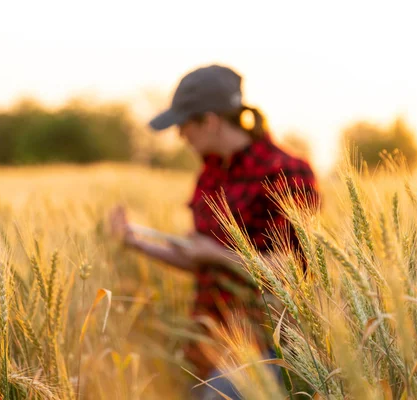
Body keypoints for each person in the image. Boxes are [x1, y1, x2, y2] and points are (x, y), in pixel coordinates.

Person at [109, 64, 319, 399]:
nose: (180, 136)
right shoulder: (210, 175)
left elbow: (294, 270)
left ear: (210, 121)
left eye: (184, 125)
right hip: (207, 341)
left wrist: (216, 254)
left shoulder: (286, 172)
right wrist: (135, 242)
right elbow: (202, 261)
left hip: (263, 344)